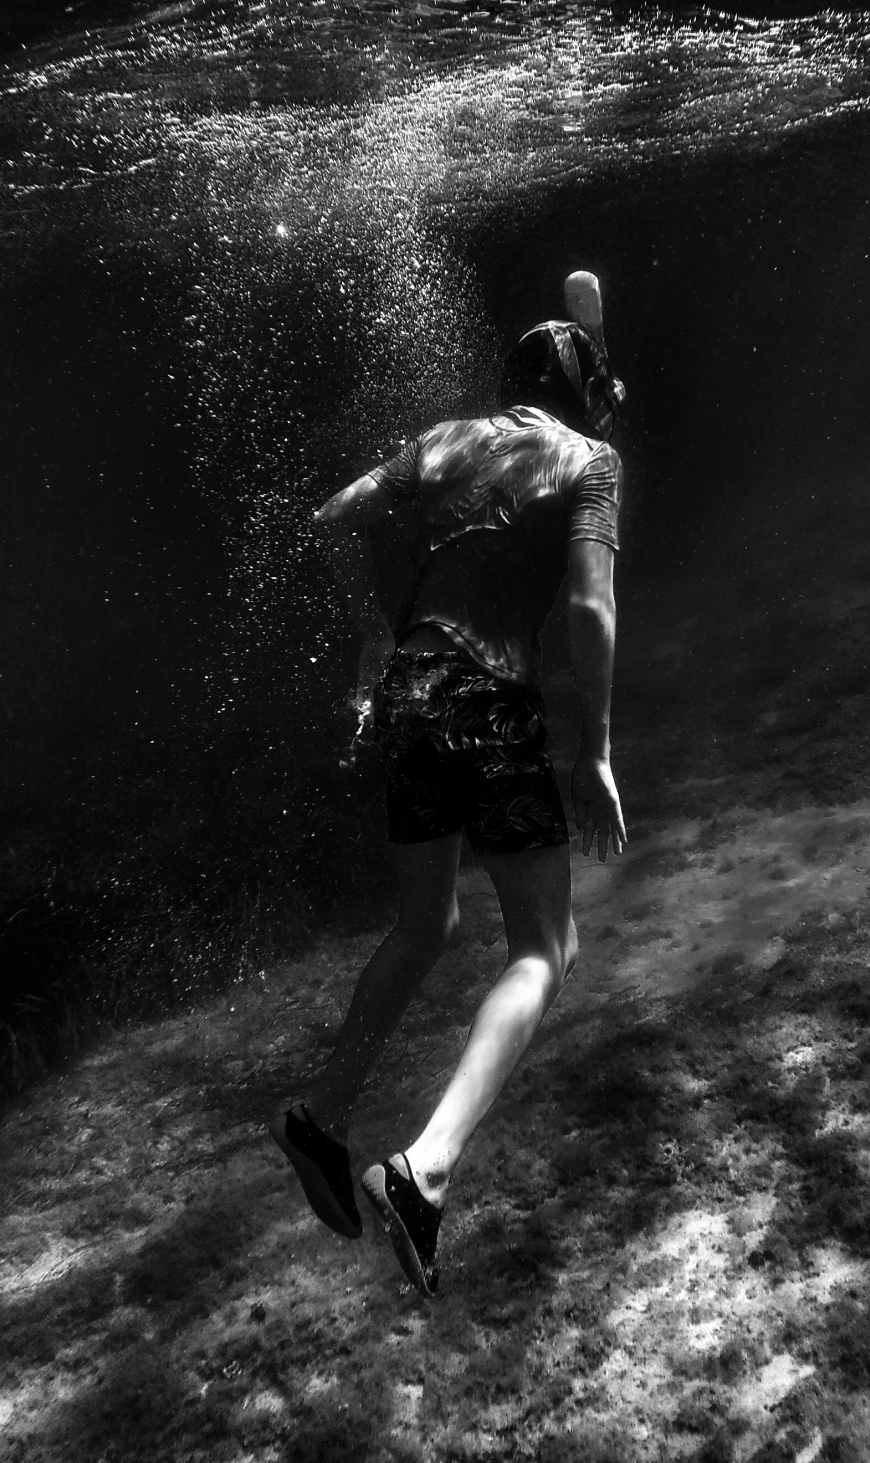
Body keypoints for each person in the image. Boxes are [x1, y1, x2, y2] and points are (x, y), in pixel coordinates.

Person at [268, 279, 628, 1299]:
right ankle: (421, 1173)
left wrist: (382, 624)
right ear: (581, 396)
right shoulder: (585, 460)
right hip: (485, 698)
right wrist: (593, 751)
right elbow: (593, 612)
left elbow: (330, 516)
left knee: (423, 923)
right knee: (546, 948)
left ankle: (318, 1115)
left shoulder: (439, 442)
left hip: (408, 695)